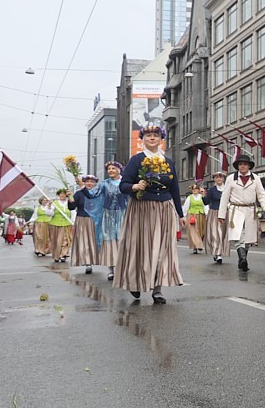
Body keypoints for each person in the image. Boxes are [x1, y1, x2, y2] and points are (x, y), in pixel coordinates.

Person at [115, 124, 186, 304]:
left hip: (164, 209)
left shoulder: (168, 162)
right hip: (142, 209)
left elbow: (175, 188)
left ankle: (157, 289)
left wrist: (180, 213)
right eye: (148, 136)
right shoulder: (136, 160)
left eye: (155, 135)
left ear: (161, 139)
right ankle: (134, 282)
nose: (152, 138)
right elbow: (123, 186)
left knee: (162, 249)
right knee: (140, 248)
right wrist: (135, 186)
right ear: (143, 140)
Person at [219, 154, 265, 272]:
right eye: (240, 164)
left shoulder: (255, 178)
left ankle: (242, 259)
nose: (242, 166)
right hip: (235, 210)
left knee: (248, 238)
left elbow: (261, 194)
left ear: (249, 166)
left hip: (251, 210)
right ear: (237, 166)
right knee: (238, 235)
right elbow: (225, 197)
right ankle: (242, 259)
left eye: (245, 164)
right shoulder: (231, 178)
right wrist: (221, 214)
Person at [89, 161, 130, 281]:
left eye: (113, 168)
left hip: (123, 214)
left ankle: (124, 268)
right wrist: (82, 186)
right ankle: (111, 270)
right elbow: (92, 194)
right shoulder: (104, 184)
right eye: (109, 169)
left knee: (123, 241)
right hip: (108, 216)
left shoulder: (125, 183)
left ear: (119, 170)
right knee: (110, 242)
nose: (111, 171)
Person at [69, 175, 101, 274]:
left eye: (92, 182)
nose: (89, 183)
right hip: (82, 219)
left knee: (94, 241)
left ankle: (96, 259)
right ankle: (88, 263)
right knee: (84, 241)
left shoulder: (97, 193)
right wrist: (70, 200)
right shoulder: (79, 194)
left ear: (95, 183)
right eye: (87, 182)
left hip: (94, 219)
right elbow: (71, 207)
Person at [203, 171, 228, 264]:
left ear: (223, 179)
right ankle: (217, 254)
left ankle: (220, 251)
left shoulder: (227, 189)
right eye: (216, 177)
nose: (219, 179)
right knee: (216, 233)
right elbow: (206, 202)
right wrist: (203, 195)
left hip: (225, 213)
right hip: (214, 213)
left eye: (220, 177)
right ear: (214, 179)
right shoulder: (212, 190)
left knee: (223, 234)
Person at [48, 189, 74, 263]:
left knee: (66, 240)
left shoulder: (69, 203)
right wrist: (49, 205)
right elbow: (49, 214)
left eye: (64, 194)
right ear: (58, 195)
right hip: (56, 225)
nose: (62, 195)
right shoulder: (54, 203)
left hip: (67, 224)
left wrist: (73, 222)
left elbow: (73, 212)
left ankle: (63, 255)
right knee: (57, 241)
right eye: (61, 194)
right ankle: (57, 255)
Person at [182, 184, 207, 254]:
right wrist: (184, 216)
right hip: (192, 216)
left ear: (198, 190)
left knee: (201, 231)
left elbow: (205, 205)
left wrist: (207, 214)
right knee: (193, 231)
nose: (194, 191)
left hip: (201, 215)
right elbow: (185, 207)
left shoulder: (202, 197)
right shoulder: (189, 198)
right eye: (193, 189)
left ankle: (198, 244)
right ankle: (196, 246)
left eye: (196, 189)